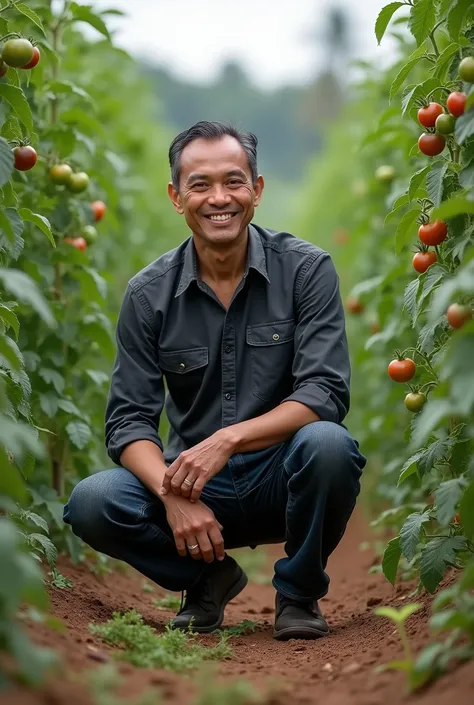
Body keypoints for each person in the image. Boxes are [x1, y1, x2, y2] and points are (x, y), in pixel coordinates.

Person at [63, 121, 366, 641]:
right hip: (195, 486)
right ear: (176, 197)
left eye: (234, 181)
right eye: (200, 185)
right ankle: (207, 577)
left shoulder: (307, 270)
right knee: (92, 502)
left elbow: (324, 392)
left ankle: (298, 592)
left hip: (282, 473)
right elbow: (128, 419)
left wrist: (227, 440)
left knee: (329, 445)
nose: (218, 198)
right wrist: (172, 494)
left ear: (258, 190)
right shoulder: (148, 294)